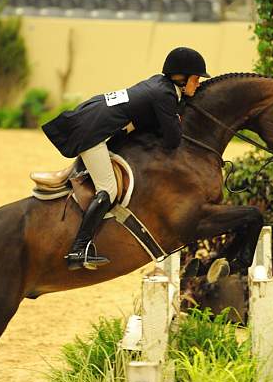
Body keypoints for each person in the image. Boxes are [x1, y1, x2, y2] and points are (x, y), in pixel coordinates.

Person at [42, 47, 210, 271]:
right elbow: (172, 139)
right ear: (181, 78)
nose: (198, 84)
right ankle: (78, 249)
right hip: (93, 130)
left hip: (95, 116)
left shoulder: (160, 85)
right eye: (196, 79)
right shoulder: (165, 95)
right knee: (108, 189)